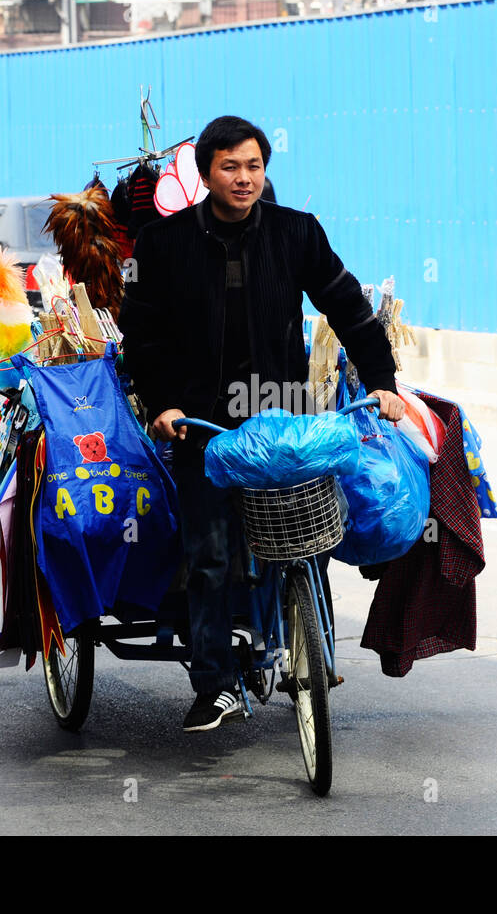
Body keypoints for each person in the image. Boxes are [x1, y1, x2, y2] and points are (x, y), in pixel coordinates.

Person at [119, 115, 405, 733]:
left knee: (303, 543)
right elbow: (141, 336)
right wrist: (164, 402)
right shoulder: (161, 244)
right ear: (206, 174)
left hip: (281, 420)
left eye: (253, 166)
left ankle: (304, 646)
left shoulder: (296, 234)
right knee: (212, 556)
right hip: (202, 426)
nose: (243, 178)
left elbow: (349, 309)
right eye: (229, 167)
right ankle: (216, 683)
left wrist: (383, 383)